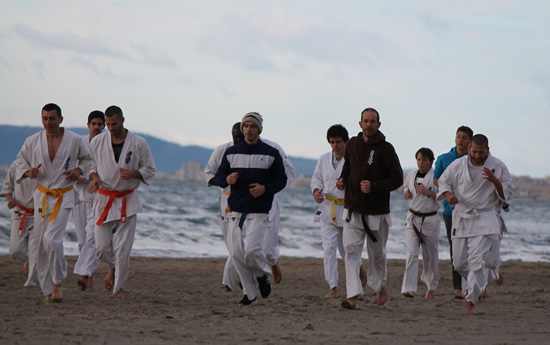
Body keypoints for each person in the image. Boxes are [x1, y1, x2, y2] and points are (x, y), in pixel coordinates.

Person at [15, 103, 94, 302]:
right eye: (45, 119)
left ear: (60, 119)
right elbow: (21, 161)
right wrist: (28, 172)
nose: (48, 123)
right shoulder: (33, 141)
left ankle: (57, 282)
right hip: (41, 195)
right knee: (41, 244)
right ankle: (48, 289)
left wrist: (79, 171)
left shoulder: (74, 140)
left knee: (52, 239)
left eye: (52, 118)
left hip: (64, 195)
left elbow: (89, 160)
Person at [215, 112, 287, 305]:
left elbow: (281, 180)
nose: (248, 129)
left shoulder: (271, 153)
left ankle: (262, 275)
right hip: (235, 211)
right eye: (245, 126)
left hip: (258, 211)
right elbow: (219, 176)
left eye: (252, 126)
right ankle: (250, 295)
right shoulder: (231, 153)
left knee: (251, 250)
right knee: (237, 254)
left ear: (259, 129)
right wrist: (226, 180)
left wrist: (265, 189)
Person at [437, 134, 513, 315]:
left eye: (482, 152)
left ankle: (470, 301)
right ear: (469, 149)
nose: (478, 156)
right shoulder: (458, 165)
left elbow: (508, 194)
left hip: (486, 217)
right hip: (463, 215)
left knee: (477, 262)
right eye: (475, 152)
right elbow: (443, 182)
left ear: (488, 149)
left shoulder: (498, 166)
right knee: (459, 263)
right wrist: (449, 197)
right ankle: (492, 270)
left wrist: (495, 181)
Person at [337, 107, 403, 310]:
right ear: (360, 124)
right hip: (353, 209)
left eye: (372, 121)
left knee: (377, 255)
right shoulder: (353, 145)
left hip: (376, 212)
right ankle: (353, 296)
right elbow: (347, 168)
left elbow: (397, 179)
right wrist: (342, 180)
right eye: (365, 121)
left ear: (379, 124)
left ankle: (380, 285)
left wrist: (373, 186)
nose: (369, 124)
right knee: (350, 251)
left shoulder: (386, 149)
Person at [88, 105, 156, 299]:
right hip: (104, 198)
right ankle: (115, 267)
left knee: (123, 248)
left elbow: (150, 169)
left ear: (123, 120)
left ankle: (118, 289)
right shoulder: (98, 141)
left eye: (114, 123)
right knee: (102, 248)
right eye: (107, 124)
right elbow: (90, 166)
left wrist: (135, 173)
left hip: (127, 199)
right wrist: (94, 178)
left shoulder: (139, 143)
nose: (110, 127)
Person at [311, 124, 366, 299]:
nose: (335, 145)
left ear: (346, 142)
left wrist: (346, 185)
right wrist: (316, 192)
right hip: (328, 209)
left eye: (339, 142)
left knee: (347, 250)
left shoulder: (354, 160)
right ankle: (333, 287)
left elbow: (359, 182)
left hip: (347, 209)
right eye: (332, 142)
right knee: (328, 249)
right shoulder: (323, 159)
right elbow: (316, 180)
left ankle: (359, 271)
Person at [433, 125, 473, 299]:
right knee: (455, 248)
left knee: (473, 248)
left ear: (470, 141)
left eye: (464, 137)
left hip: (472, 211)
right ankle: (458, 287)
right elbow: (436, 179)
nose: (461, 140)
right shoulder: (443, 159)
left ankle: (475, 283)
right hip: (450, 211)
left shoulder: (475, 159)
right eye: (458, 136)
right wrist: (450, 192)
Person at [204, 122, 244, 292]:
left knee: (244, 243)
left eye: (241, 136)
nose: (238, 139)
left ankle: (232, 280)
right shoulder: (222, 151)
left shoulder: (257, 152)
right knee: (231, 244)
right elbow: (209, 175)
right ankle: (238, 279)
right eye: (235, 136)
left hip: (249, 203)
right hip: (227, 203)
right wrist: (225, 180)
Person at [401, 148, 440, 300]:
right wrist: (406, 193)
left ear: (431, 161)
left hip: (430, 219)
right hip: (412, 217)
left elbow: (443, 196)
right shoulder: (411, 174)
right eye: (419, 159)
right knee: (412, 253)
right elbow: (406, 187)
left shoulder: (436, 177)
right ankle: (408, 288)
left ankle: (431, 286)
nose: (421, 162)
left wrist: (427, 192)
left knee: (430, 256)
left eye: (424, 160)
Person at [73, 111, 105, 290]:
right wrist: (76, 175)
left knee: (92, 236)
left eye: (100, 124)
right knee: (81, 239)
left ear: (104, 126)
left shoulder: (107, 143)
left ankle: (85, 274)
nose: (97, 127)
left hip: (100, 196)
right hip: (79, 195)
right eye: (94, 124)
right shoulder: (80, 142)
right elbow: (72, 164)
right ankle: (89, 272)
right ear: (88, 125)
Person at [1, 160, 38, 286]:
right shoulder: (16, 165)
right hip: (20, 213)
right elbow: (7, 187)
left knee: (36, 247)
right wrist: (10, 199)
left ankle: (35, 275)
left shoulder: (44, 166)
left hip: (39, 214)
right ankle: (35, 262)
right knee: (16, 250)